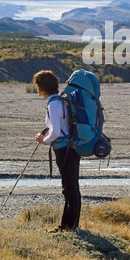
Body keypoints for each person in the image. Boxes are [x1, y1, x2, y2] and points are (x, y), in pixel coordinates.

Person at [33, 70, 81, 233]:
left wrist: (43, 140)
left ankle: (66, 227)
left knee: (68, 188)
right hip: (72, 148)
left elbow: (55, 132)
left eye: (37, 86)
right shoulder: (61, 101)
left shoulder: (53, 104)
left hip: (64, 149)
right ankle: (72, 226)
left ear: (42, 87)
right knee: (73, 187)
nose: (36, 89)